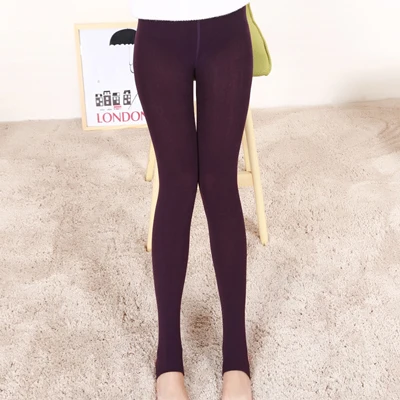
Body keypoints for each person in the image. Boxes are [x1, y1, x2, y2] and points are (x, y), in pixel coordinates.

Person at [131, 1, 254, 398]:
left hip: (227, 25)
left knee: (220, 183)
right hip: (159, 29)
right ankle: (168, 359)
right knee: (177, 183)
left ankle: (236, 358)